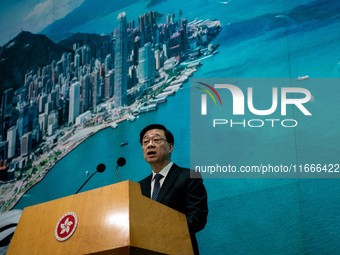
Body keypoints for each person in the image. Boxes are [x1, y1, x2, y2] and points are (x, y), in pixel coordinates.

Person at [139, 124, 208, 255]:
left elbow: (197, 218)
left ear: (170, 147)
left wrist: (160, 231)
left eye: (156, 140)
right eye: (145, 142)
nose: (150, 145)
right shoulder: (139, 187)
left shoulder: (188, 177)